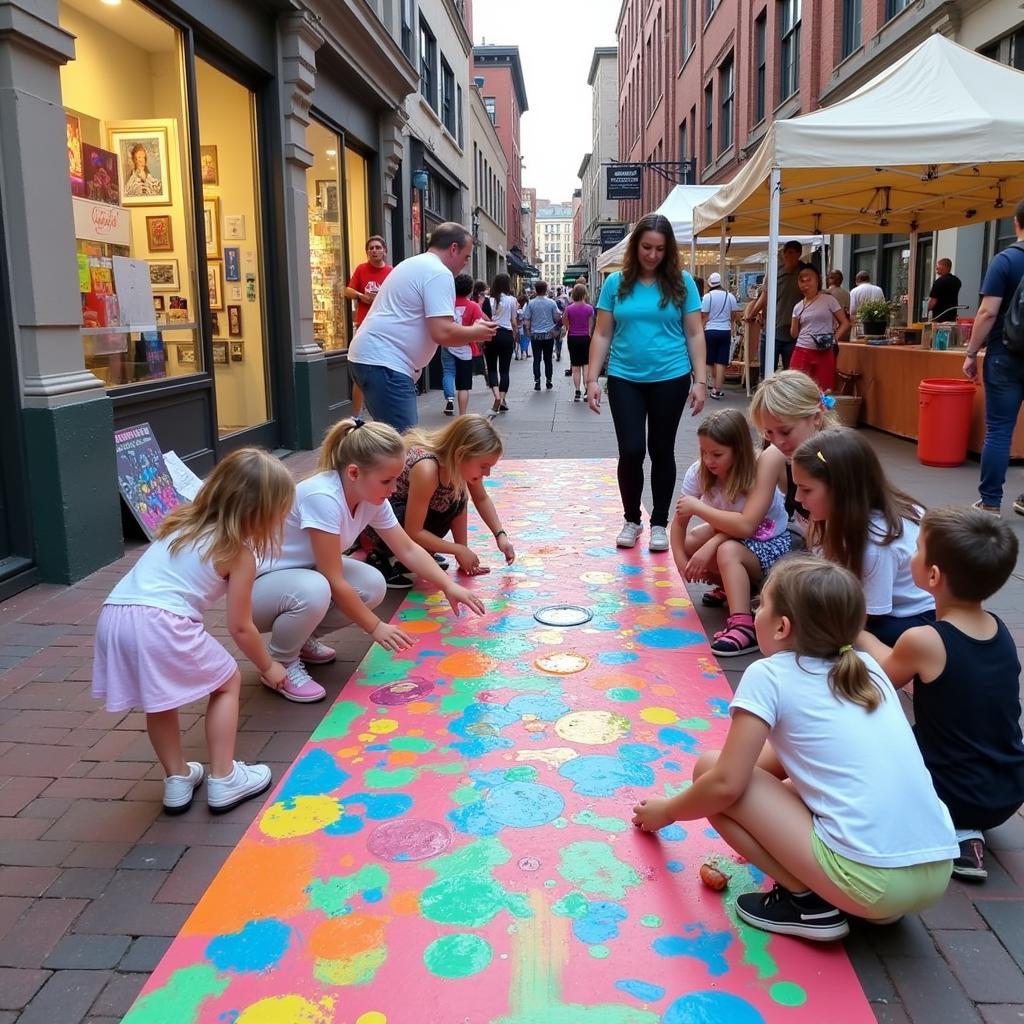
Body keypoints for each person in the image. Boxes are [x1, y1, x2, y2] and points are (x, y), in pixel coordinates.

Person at [632, 555, 957, 941]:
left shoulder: (769, 674)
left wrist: (668, 811)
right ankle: (866, 907)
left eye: (762, 604)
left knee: (709, 771)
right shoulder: (868, 668)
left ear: (782, 626)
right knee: (750, 785)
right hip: (934, 871)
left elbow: (725, 784)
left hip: (872, 882)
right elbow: (778, 765)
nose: (756, 611)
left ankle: (808, 906)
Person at [92, 449, 294, 814]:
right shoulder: (238, 552)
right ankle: (223, 777)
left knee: (160, 699)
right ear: (262, 514)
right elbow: (240, 626)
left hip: (116, 614)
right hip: (161, 621)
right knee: (227, 681)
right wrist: (269, 666)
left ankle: (177, 778)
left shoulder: (179, 524)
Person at [859, 506, 1024, 882]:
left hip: (957, 791)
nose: (910, 556)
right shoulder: (999, 631)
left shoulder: (925, 640)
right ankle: (965, 830)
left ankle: (953, 830)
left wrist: (856, 631)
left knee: (873, 743)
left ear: (933, 575)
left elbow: (881, 675)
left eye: (916, 549)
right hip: (1008, 788)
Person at [253, 418, 486, 666]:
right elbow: (332, 577)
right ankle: (280, 663)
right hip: (258, 588)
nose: (395, 489)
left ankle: (302, 639)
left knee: (372, 584)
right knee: (317, 588)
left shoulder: (370, 496)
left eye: (397, 479)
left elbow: (406, 548)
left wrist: (447, 586)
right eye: (387, 481)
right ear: (354, 472)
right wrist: (375, 627)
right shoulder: (323, 497)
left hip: (300, 575)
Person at [586, 213, 707, 553]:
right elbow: (602, 333)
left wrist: (701, 380)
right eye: (646, 247)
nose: (652, 255)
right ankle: (631, 519)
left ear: (669, 251)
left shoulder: (682, 283)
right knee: (632, 450)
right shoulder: (616, 283)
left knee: (661, 449)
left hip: (671, 375)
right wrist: (592, 378)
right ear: (635, 246)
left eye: (659, 249)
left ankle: (659, 523)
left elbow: (695, 333)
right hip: (625, 377)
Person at [791, 427, 935, 645]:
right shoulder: (842, 514)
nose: (797, 497)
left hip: (907, 620)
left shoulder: (876, 545)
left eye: (806, 489)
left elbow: (867, 614)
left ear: (841, 490)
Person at [348, 223, 496, 432]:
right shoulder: (439, 273)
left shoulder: (415, 264)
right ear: (453, 248)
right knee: (404, 445)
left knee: (388, 443)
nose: (465, 263)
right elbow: (443, 332)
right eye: (466, 256)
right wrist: (477, 332)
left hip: (374, 359)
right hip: (386, 364)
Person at [672, 409, 791, 657]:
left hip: (769, 542)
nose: (709, 461)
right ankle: (733, 587)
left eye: (717, 454)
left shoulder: (757, 472)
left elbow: (748, 526)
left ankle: (743, 624)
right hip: (735, 533)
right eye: (704, 453)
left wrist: (708, 531)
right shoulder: (700, 471)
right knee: (693, 542)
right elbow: (680, 522)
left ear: (739, 450)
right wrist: (682, 564)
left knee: (725, 551)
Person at [357, 415, 516, 587]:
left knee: (456, 497)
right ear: (461, 454)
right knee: (449, 501)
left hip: (409, 520)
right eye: (484, 466)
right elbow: (413, 531)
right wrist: (458, 549)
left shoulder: (457, 465)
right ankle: (381, 556)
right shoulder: (427, 468)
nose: (487, 473)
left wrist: (499, 536)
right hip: (379, 526)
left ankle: (422, 552)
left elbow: (481, 498)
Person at [963, 199, 1024, 515]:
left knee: (999, 429)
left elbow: (987, 312)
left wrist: (971, 352)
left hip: (1005, 356)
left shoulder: (1006, 261)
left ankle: (990, 503)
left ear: (1016, 223)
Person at [749, 370, 838, 544]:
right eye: (769, 433)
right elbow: (748, 520)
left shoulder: (835, 459)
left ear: (816, 418)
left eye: (785, 431)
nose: (778, 441)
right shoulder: (775, 455)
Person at [743, 240, 806, 380]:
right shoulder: (774, 272)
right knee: (766, 374)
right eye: (786, 253)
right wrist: (751, 314)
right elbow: (765, 296)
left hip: (794, 333)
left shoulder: (805, 273)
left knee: (791, 375)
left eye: (792, 253)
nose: (789, 256)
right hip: (772, 330)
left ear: (799, 254)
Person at [345, 236, 393, 417]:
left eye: (377, 247)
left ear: (384, 251)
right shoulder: (361, 269)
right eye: (370, 248)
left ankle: (383, 413)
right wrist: (361, 296)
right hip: (364, 325)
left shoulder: (391, 272)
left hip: (385, 327)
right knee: (361, 371)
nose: (374, 250)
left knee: (385, 370)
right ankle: (356, 416)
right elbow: (347, 291)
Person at [789, 266, 851, 392]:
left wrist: (834, 339)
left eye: (809, 279)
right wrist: (795, 318)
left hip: (824, 349)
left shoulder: (828, 300)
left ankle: (822, 412)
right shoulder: (798, 306)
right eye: (802, 280)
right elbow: (794, 334)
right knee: (796, 388)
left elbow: (845, 323)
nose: (805, 283)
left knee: (824, 389)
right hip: (802, 348)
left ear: (817, 281)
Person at [481, 273, 519, 414]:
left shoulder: (488, 301)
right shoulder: (512, 300)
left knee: (491, 368)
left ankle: (496, 396)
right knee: (504, 370)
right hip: (506, 335)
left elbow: (484, 320)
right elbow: (514, 322)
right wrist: (515, 337)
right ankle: (503, 399)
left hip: (492, 334)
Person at [701, 272, 739, 399]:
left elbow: (704, 316)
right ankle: (717, 390)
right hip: (725, 331)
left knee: (708, 360)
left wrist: (701, 330)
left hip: (710, 331)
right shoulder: (730, 296)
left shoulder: (707, 297)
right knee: (721, 361)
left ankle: (705, 386)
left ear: (710, 283)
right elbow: (734, 315)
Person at [449, 274, 483, 416]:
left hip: (447, 344)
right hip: (465, 349)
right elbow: (479, 328)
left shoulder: (448, 303)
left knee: (448, 374)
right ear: (470, 290)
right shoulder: (473, 306)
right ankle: (462, 415)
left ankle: (449, 399)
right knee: (463, 386)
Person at [525, 281, 563, 391]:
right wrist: (556, 328)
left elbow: (527, 319)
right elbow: (557, 318)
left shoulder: (531, 303)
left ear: (535, 290)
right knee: (548, 359)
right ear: (546, 289)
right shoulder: (551, 303)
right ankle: (549, 381)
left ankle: (537, 382)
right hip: (548, 334)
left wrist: (528, 330)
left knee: (536, 359)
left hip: (535, 335)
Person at [563, 284, 595, 401]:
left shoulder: (569, 308)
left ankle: (577, 391)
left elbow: (564, 320)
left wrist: (569, 327)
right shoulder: (589, 308)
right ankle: (586, 390)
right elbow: (591, 324)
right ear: (584, 294)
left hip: (573, 338)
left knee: (575, 367)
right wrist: (589, 333)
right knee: (586, 365)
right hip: (585, 338)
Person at [514, 292, 530, 361]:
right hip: (523, 326)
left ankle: (519, 354)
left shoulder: (517, 307)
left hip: (517, 326)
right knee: (525, 339)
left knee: (518, 341)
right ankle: (524, 353)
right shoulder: (524, 308)